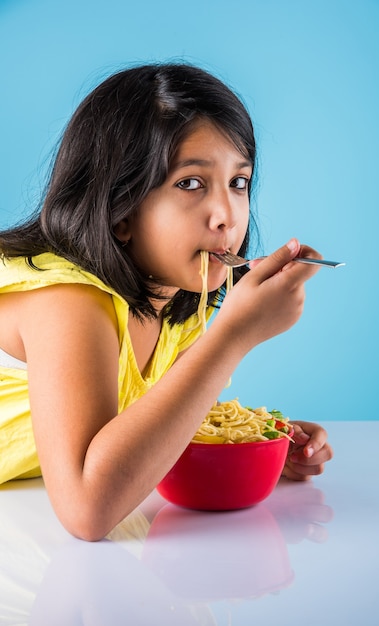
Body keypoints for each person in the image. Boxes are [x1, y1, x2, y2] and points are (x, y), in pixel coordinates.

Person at [0, 62, 333, 541]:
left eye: (239, 182)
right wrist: (233, 337)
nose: (226, 216)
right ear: (121, 213)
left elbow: (152, 431)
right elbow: (87, 511)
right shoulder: (68, 303)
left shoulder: (177, 305)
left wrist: (252, 445)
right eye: (191, 184)